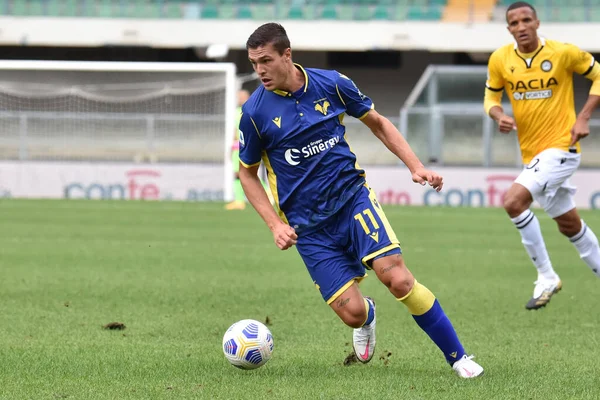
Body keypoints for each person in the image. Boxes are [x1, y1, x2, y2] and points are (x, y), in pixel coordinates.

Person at [238, 22, 484, 378]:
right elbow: (247, 174)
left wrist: (416, 166)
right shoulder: (255, 114)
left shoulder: (332, 83)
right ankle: (366, 316)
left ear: (286, 55)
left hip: (353, 201)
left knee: (397, 279)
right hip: (308, 227)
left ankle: (459, 358)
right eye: (253, 62)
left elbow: (378, 122)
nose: (259, 70)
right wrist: (275, 224)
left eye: (265, 60)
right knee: (351, 313)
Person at [484, 1, 600, 310]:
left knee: (512, 202)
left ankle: (546, 276)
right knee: (569, 225)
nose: (520, 26)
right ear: (509, 28)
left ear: (537, 23)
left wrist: (584, 116)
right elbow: (491, 96)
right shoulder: (500, 59)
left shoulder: (563, 53)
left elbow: (599, 75)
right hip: (532, 154)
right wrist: (498, 115)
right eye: (514, 23)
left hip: (562, 147)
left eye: (526, 20)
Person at [225, 89, 251, 210]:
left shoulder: (250, 110)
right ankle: (239, 201)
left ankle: (268, 193)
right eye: (239, 97)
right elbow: (235, 130)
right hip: (237, 146)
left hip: (247, 145)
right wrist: (232, 145)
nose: (240, 99)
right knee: (237, 173)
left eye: (242, 97)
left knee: (249, 172)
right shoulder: (237, 111)